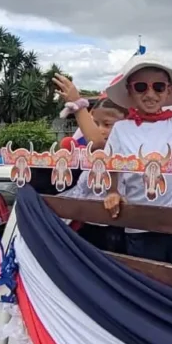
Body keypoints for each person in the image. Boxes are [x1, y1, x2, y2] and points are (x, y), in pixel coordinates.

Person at [98, 28, 172, 267]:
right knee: (147, 286)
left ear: (169, 91)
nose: (150, 94)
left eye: (158, 87)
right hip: (140, 225)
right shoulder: (122, 128)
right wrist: (112, 191)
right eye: (141, 87)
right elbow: (112, 166)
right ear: (130, 91)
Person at [49, 81, 130, 254]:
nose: (100, 130)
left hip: (113, 229)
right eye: (95, 123)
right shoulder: (89, 157)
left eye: (107, 125)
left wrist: (78, 104)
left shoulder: (123, 150)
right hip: (88, 226)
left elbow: (98, 143)